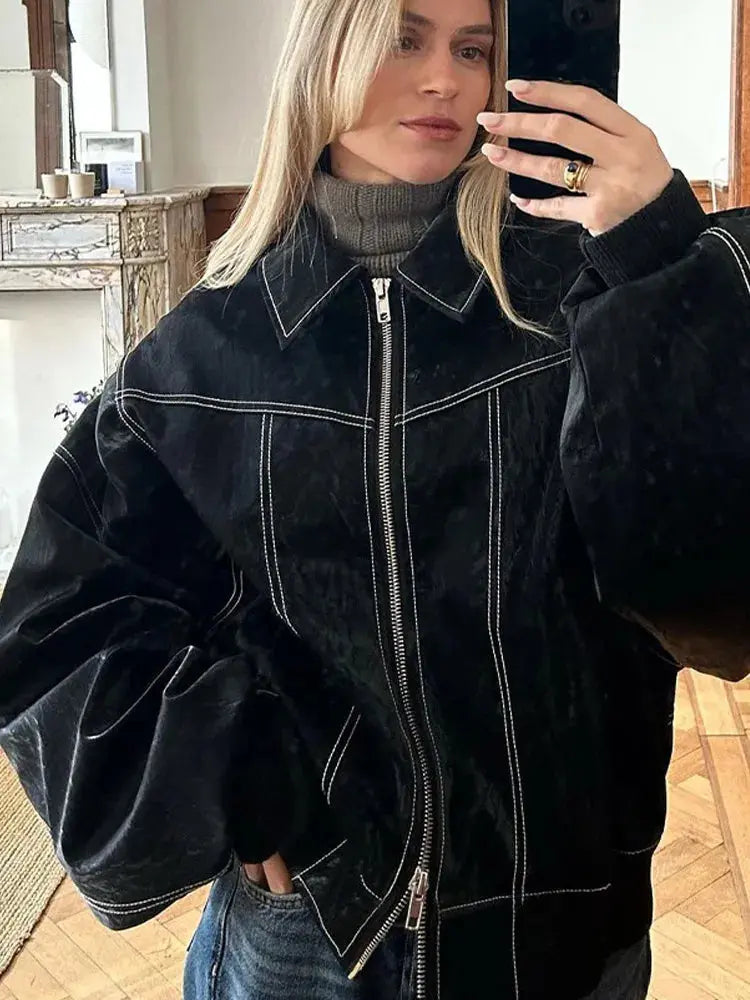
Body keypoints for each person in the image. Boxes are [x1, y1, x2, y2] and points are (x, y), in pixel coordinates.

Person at [0, 0, 748, 997]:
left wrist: (660, 267)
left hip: (563, 923)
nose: (445, 78)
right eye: (404, 36)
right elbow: (63, 625)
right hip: (312, 932)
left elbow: (710, 596)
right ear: (324, 52)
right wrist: (244, 779)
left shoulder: (580, 299)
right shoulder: (203, 350)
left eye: (473, 48)